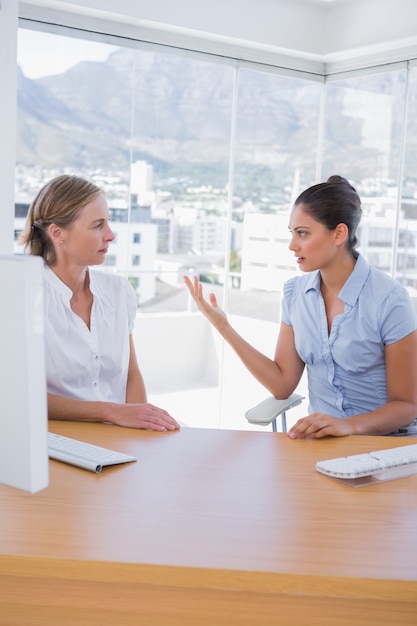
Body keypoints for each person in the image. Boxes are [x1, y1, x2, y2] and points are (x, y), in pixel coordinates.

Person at [184, 175, 417, 438]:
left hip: (386, 445)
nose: (293, 245)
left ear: (339, 233)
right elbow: (282, 384)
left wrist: (349, 425)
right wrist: (223, 326)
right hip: (323, 443)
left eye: (303, 233)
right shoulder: (296, 295)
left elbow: (406, 405)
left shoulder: (389, 300)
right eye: (292, 233)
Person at [20, 174, 180, 432]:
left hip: (117, 438)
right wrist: (111, 411)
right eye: (97, 225)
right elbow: (20, 395)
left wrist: (141, 428)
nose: (111, 235)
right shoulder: (24, 298)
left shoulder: (118, 292)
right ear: (57, 233)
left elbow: (131, 375)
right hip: (55, 441)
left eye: (108, 223)